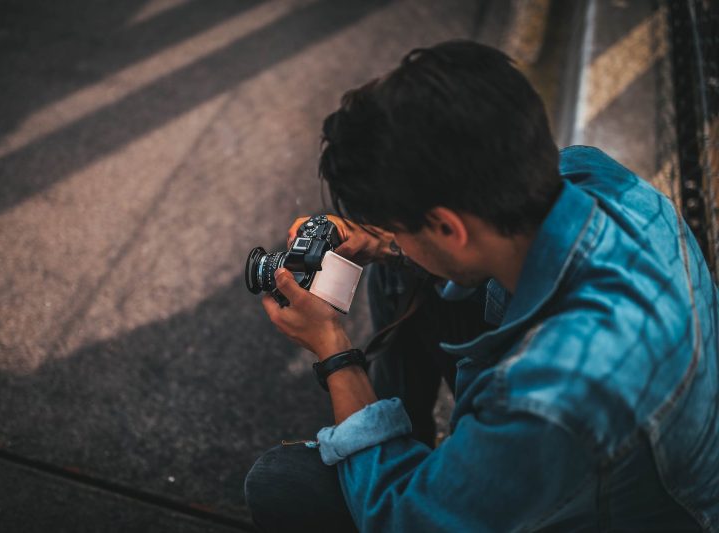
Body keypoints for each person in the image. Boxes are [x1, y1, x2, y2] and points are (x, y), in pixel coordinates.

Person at [243, 40, 719, 532]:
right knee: (395, 268)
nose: (393, 237)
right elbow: (437, 249)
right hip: (608, 433)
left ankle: (425, 472)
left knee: (282, 481)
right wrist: (384, 243)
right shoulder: (589, 171)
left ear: (451, 227)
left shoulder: (543, 398)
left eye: (402, 228)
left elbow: (400, 521)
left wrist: (333, 349)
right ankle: (424, 457)